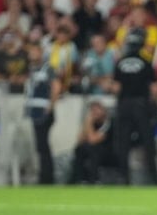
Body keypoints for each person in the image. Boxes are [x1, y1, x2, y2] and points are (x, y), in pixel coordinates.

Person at [112, 27, 157, 185]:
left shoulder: (120, 63)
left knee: (123, 142)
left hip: (124, 104)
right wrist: (152, 104)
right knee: (147, 141)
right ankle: (154, 177)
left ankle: (123, 177)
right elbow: (154, 88)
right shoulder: (145, 62)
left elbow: (116, 87)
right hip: (141, 104)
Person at [24, 45, 63, 185]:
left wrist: (50, 106)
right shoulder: (31, 69)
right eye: (30, 51)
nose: (32, 54)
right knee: (40, 146)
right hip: (35, 112)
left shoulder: (47, 69)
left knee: (43, 145)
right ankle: (45, 175)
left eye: (35, 51)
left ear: (41, 53)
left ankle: (47, 177)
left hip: (43, 111)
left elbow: (56, 86)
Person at [68, 100, 115, 185]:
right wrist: (87, 123)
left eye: (97, 109)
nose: (94, 113)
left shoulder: (108, 123)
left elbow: (93, 140)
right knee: (79, 149)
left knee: (93, 149)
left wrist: (89, 122)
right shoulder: (92, 123)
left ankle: (94, 180)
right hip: (93, 151)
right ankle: (78, 179)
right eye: (92, 110)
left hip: (109, 153)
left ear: (103, 110)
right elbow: (80, 140)